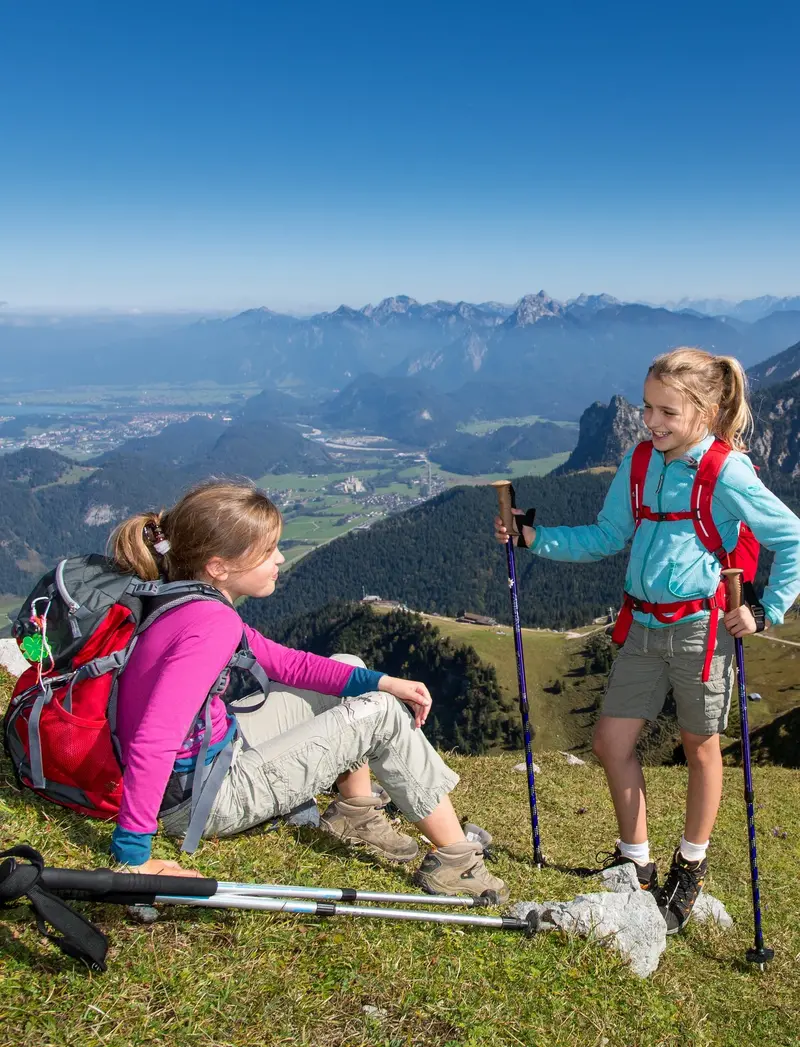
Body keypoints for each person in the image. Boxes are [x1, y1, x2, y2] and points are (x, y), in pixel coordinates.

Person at [495, 347, 800, 932]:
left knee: (699, 747)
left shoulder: (726, 471)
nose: (652, 423)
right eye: (646, 408)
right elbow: (608, 535)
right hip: (642, 624)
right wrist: (534, 537)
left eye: (667, 412)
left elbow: (790, 538)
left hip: (700, 629)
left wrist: (767, 611)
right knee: (612, 742)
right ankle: (636, 863)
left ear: (708, 412)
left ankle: (692, 864)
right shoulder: (640, 462)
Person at [108, 480, 508, 903]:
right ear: (219, 566)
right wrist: (133, 858)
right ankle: (456, 864)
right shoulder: (211, 624)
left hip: (213, 755)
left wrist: (381, 680)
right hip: (203, 799)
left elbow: (288, 663)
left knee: (350, 668)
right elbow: (156, 738)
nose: (280, 558)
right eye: (266, 551)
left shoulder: (189, 599)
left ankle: (354, 816)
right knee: (383, 715)